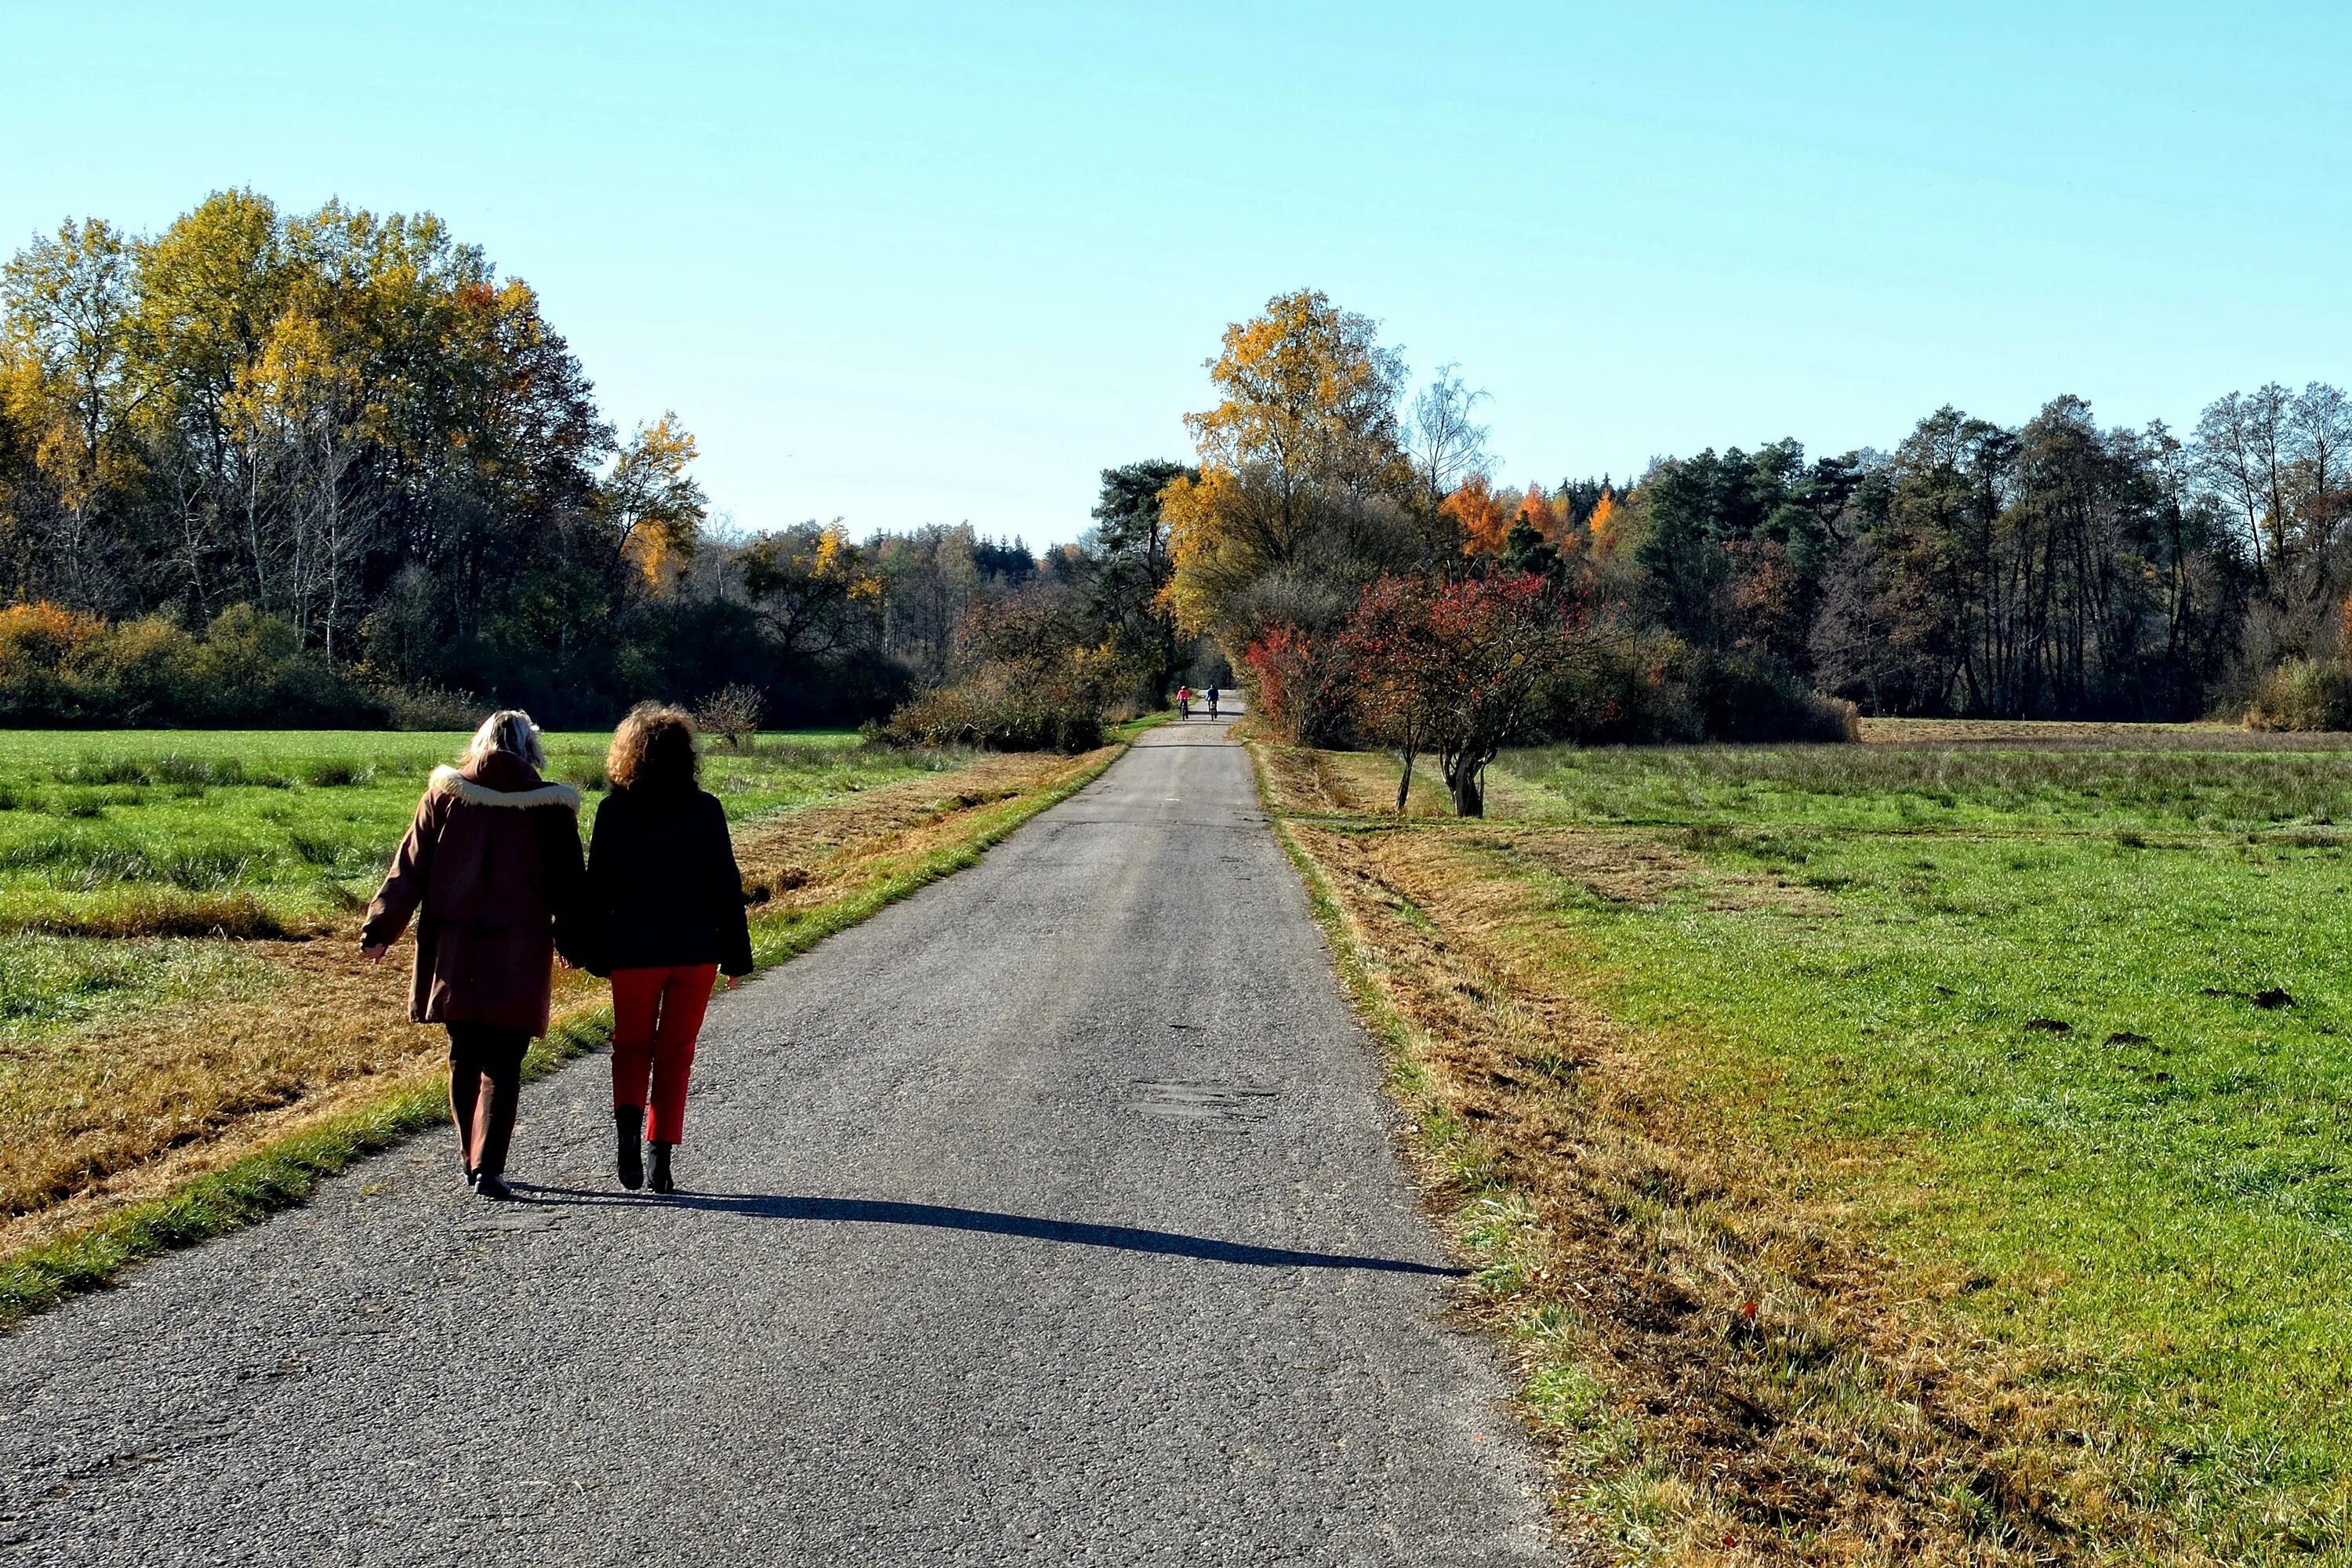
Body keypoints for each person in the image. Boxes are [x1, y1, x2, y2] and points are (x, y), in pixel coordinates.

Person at [362, 710, 583, 1201]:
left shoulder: (444, 796)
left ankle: (469, 1157)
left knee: (464, 1053)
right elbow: (570, 887)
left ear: (479, 743)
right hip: (520, 948)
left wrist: (380, 929)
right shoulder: (551, 808)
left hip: (454, 946)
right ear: (532, 750)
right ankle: (489, 1166)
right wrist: (571, 941)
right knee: (505, 1060)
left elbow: (410, 868)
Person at [582, 704, 753, 1195]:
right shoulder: (706, 810)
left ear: (627, 755)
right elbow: (726, 886)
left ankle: (627, 1145)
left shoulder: (613, 813)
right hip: (696, 950)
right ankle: (661, 1160)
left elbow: (600, 890)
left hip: (633, 952)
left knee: (631, 1049)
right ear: (686, 757)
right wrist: (737, 956)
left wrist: (595, 949)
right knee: (676, 1053)